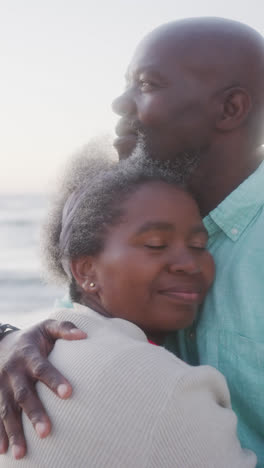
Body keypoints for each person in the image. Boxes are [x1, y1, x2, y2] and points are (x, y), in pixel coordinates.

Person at [0, 16, 264, 464]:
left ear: (230, 109)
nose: (120, 103)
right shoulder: (127, 223)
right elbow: (87, 320)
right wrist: (14, 340)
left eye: (146, 84)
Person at [0, 148, 256, 467]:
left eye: (198, 246)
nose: (189, 264)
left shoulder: (37, 357)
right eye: (155, 245)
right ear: (86, 272)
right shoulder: (167, 388)